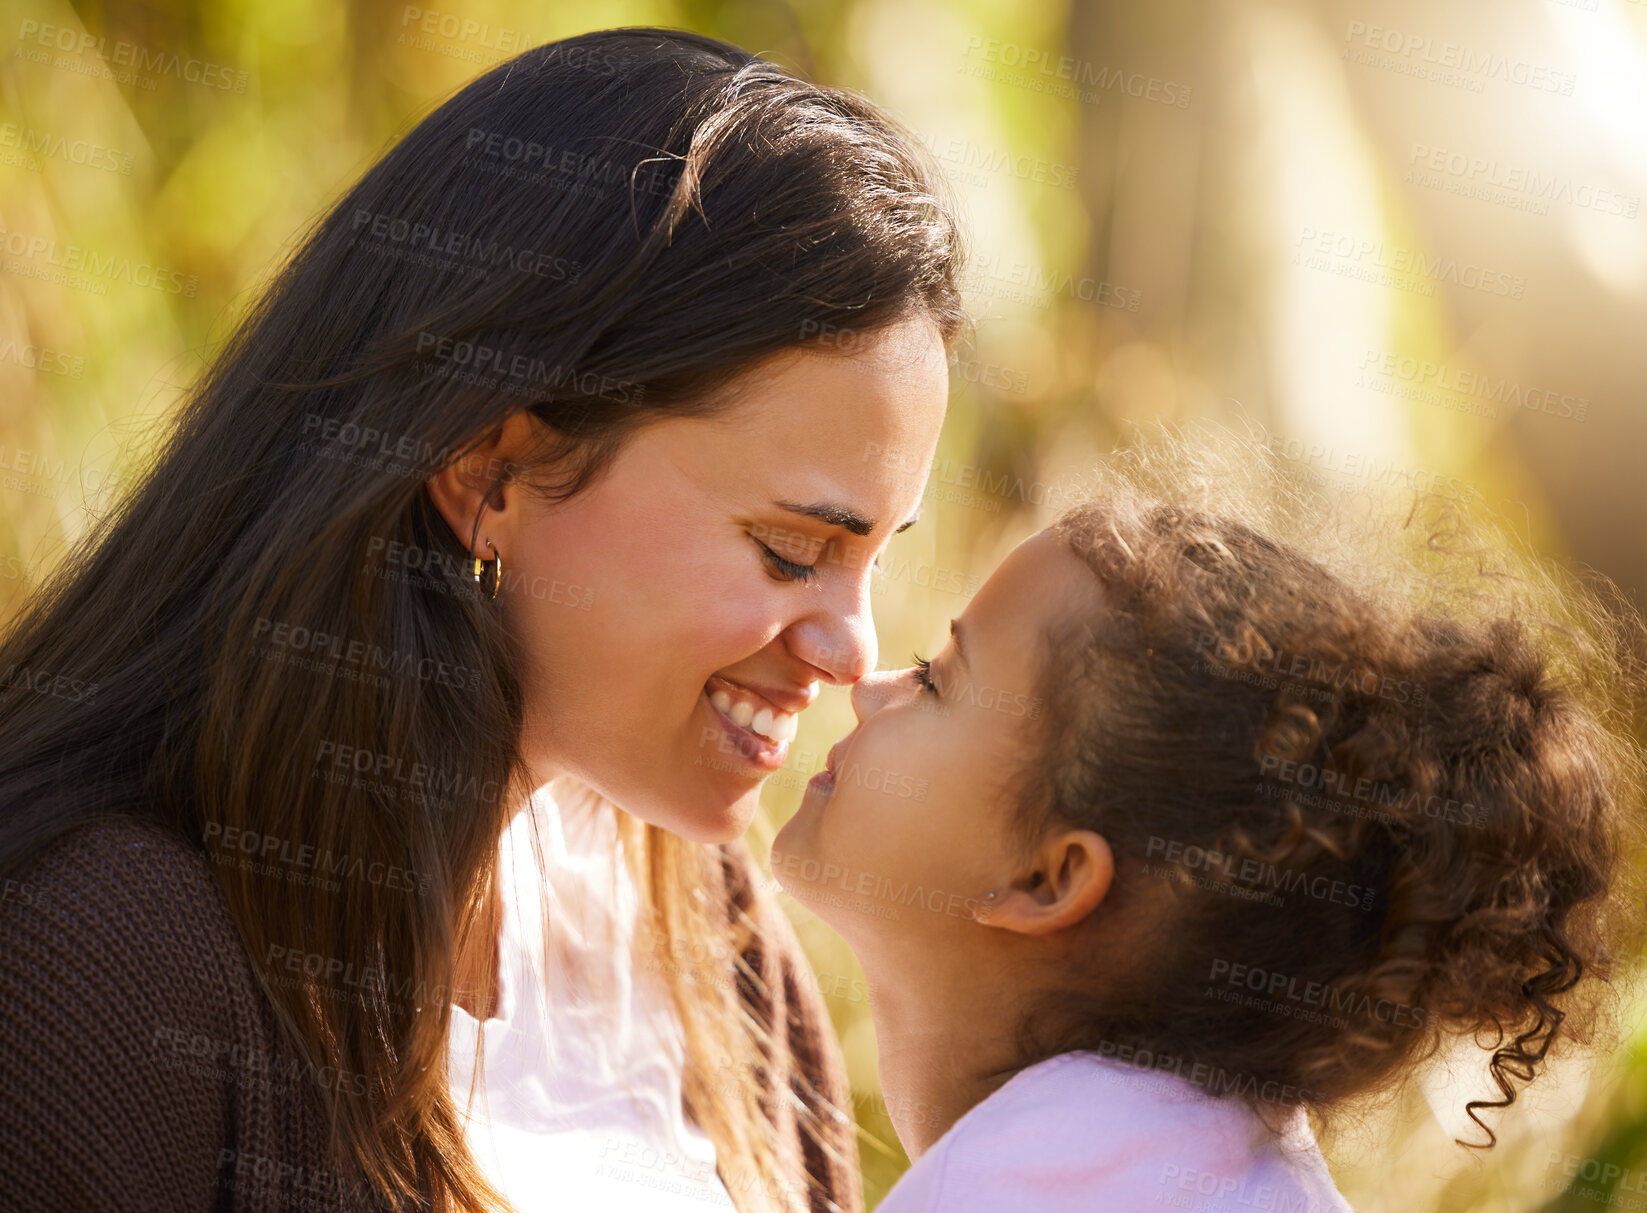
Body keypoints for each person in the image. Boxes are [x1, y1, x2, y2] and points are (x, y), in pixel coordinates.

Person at [0, 28, 966, 1213]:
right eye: (792, 551)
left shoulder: (710, 932)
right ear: (488, 475)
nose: (851, 644)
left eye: (872, 558)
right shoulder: (96, 960)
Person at [773, 431, 1646, 1212]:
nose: (868, 686)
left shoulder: (1038, 1176)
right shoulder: (1214, 1163)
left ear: (1050, 877)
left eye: (934, 679)